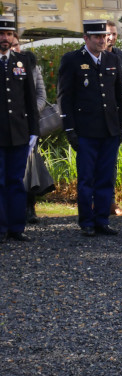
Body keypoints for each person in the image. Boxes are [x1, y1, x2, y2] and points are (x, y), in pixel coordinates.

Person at [58, 19, 122, 237]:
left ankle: (102, 221)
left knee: (106, 178)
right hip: (85, 131)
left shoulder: (112, 58)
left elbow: (118, 96)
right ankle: (87, 221)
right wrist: (69, 129)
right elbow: (65, 97)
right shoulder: (72, 60)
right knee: (87, 179)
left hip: (109, 130)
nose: (101, 40)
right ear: (86, 38)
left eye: (104, 36)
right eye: (96, 37)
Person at [0, 17, 39, 242]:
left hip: (19, 133)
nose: (5, 38)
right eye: (1, 34)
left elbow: (29, 99)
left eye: (8, 34)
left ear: (14, 36)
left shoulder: (22, 61)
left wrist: (33, 130)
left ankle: (16, 227)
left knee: (16, 181)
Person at [11, 33, 50, 225]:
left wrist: (30, 112)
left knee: (30, 168)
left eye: (16, 44)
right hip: (7, 126)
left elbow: (42, 96)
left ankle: (29, 207)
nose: (14, 48)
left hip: (28, 125)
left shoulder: (31, 66)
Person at [104, 20, 122, 217]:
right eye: (108, 34)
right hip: (96, 118)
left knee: (112, 161)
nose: (111, 37)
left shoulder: (119, 55)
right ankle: (95, 203)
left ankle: (110, 203)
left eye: (114, 34)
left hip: (114, 117)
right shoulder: (91, 56)